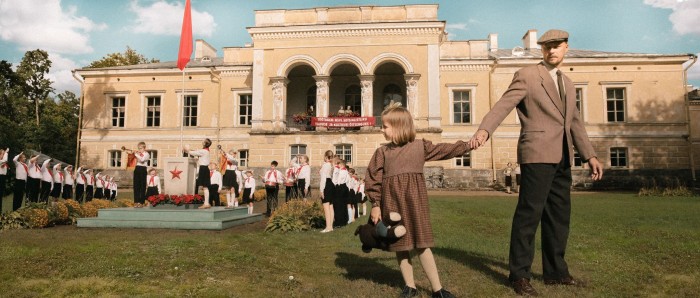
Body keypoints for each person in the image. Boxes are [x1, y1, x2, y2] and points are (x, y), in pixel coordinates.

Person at [468, 29, 604, 296]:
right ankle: (519, 275)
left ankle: (556, 273)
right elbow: (503, 105)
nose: (551, 51)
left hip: (563, 157)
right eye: (546, 47)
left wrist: (590, 155)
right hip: (536, 155)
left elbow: (574, 122)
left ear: (566, 47)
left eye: (556, 46)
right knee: (528, 217)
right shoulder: (528, 75)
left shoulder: (568, 83)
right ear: (542, 50)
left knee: (559, 217)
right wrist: (485, 130)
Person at [365, 102, 470, 298]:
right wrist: (376, 205)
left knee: (422, 243)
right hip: (392, 202)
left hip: (415, 201)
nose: (382, 130)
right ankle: (410, 286)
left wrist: (467, 145)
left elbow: (444, 150)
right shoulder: (382, 152)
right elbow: (372, 178)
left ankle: (437, 289)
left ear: (398, 127)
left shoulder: (420, 146)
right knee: (400, 244)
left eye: (385, 126)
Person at [184, 138, 213, 209]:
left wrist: (187, 150)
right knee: (205, 187)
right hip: (205, 168)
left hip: (203, 169)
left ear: (205, 143)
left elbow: (194, 153)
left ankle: (206, 203)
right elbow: (197, 152)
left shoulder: (203, 151)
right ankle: (207, 203)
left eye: (203, 141)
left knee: (205, 186)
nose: (202, 141)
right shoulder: (205, 151)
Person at [319, 150, 335, 233]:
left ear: (325, 157)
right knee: (331, 206)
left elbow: (323, 179)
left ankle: (328, 227)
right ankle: (330, 226)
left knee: (326, 206)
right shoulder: (331, 165)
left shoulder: (325, 165)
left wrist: (321, 190)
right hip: (330, 184)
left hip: (326, 185)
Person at [332, 159, 349, 227]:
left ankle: (338, 222)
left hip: (340, 187)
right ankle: (344, 220)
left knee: (338, 205)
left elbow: (336, 180)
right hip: (344, 187)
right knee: (343, 205)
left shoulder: (341, 171)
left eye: (338, 164)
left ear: (341, 165)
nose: (337, 165)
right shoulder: (346, 171)